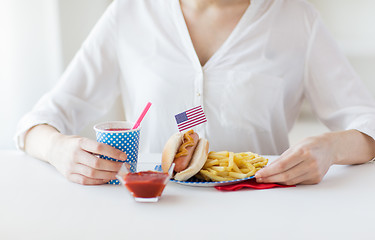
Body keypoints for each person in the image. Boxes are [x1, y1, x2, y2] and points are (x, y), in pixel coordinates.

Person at [16, 0, 375, 185]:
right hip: (154, 214)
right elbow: (39, 121)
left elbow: (367, 123)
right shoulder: (131, 13)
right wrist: (57, 149)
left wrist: (331, 148)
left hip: (263, 214)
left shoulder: (295, 18)